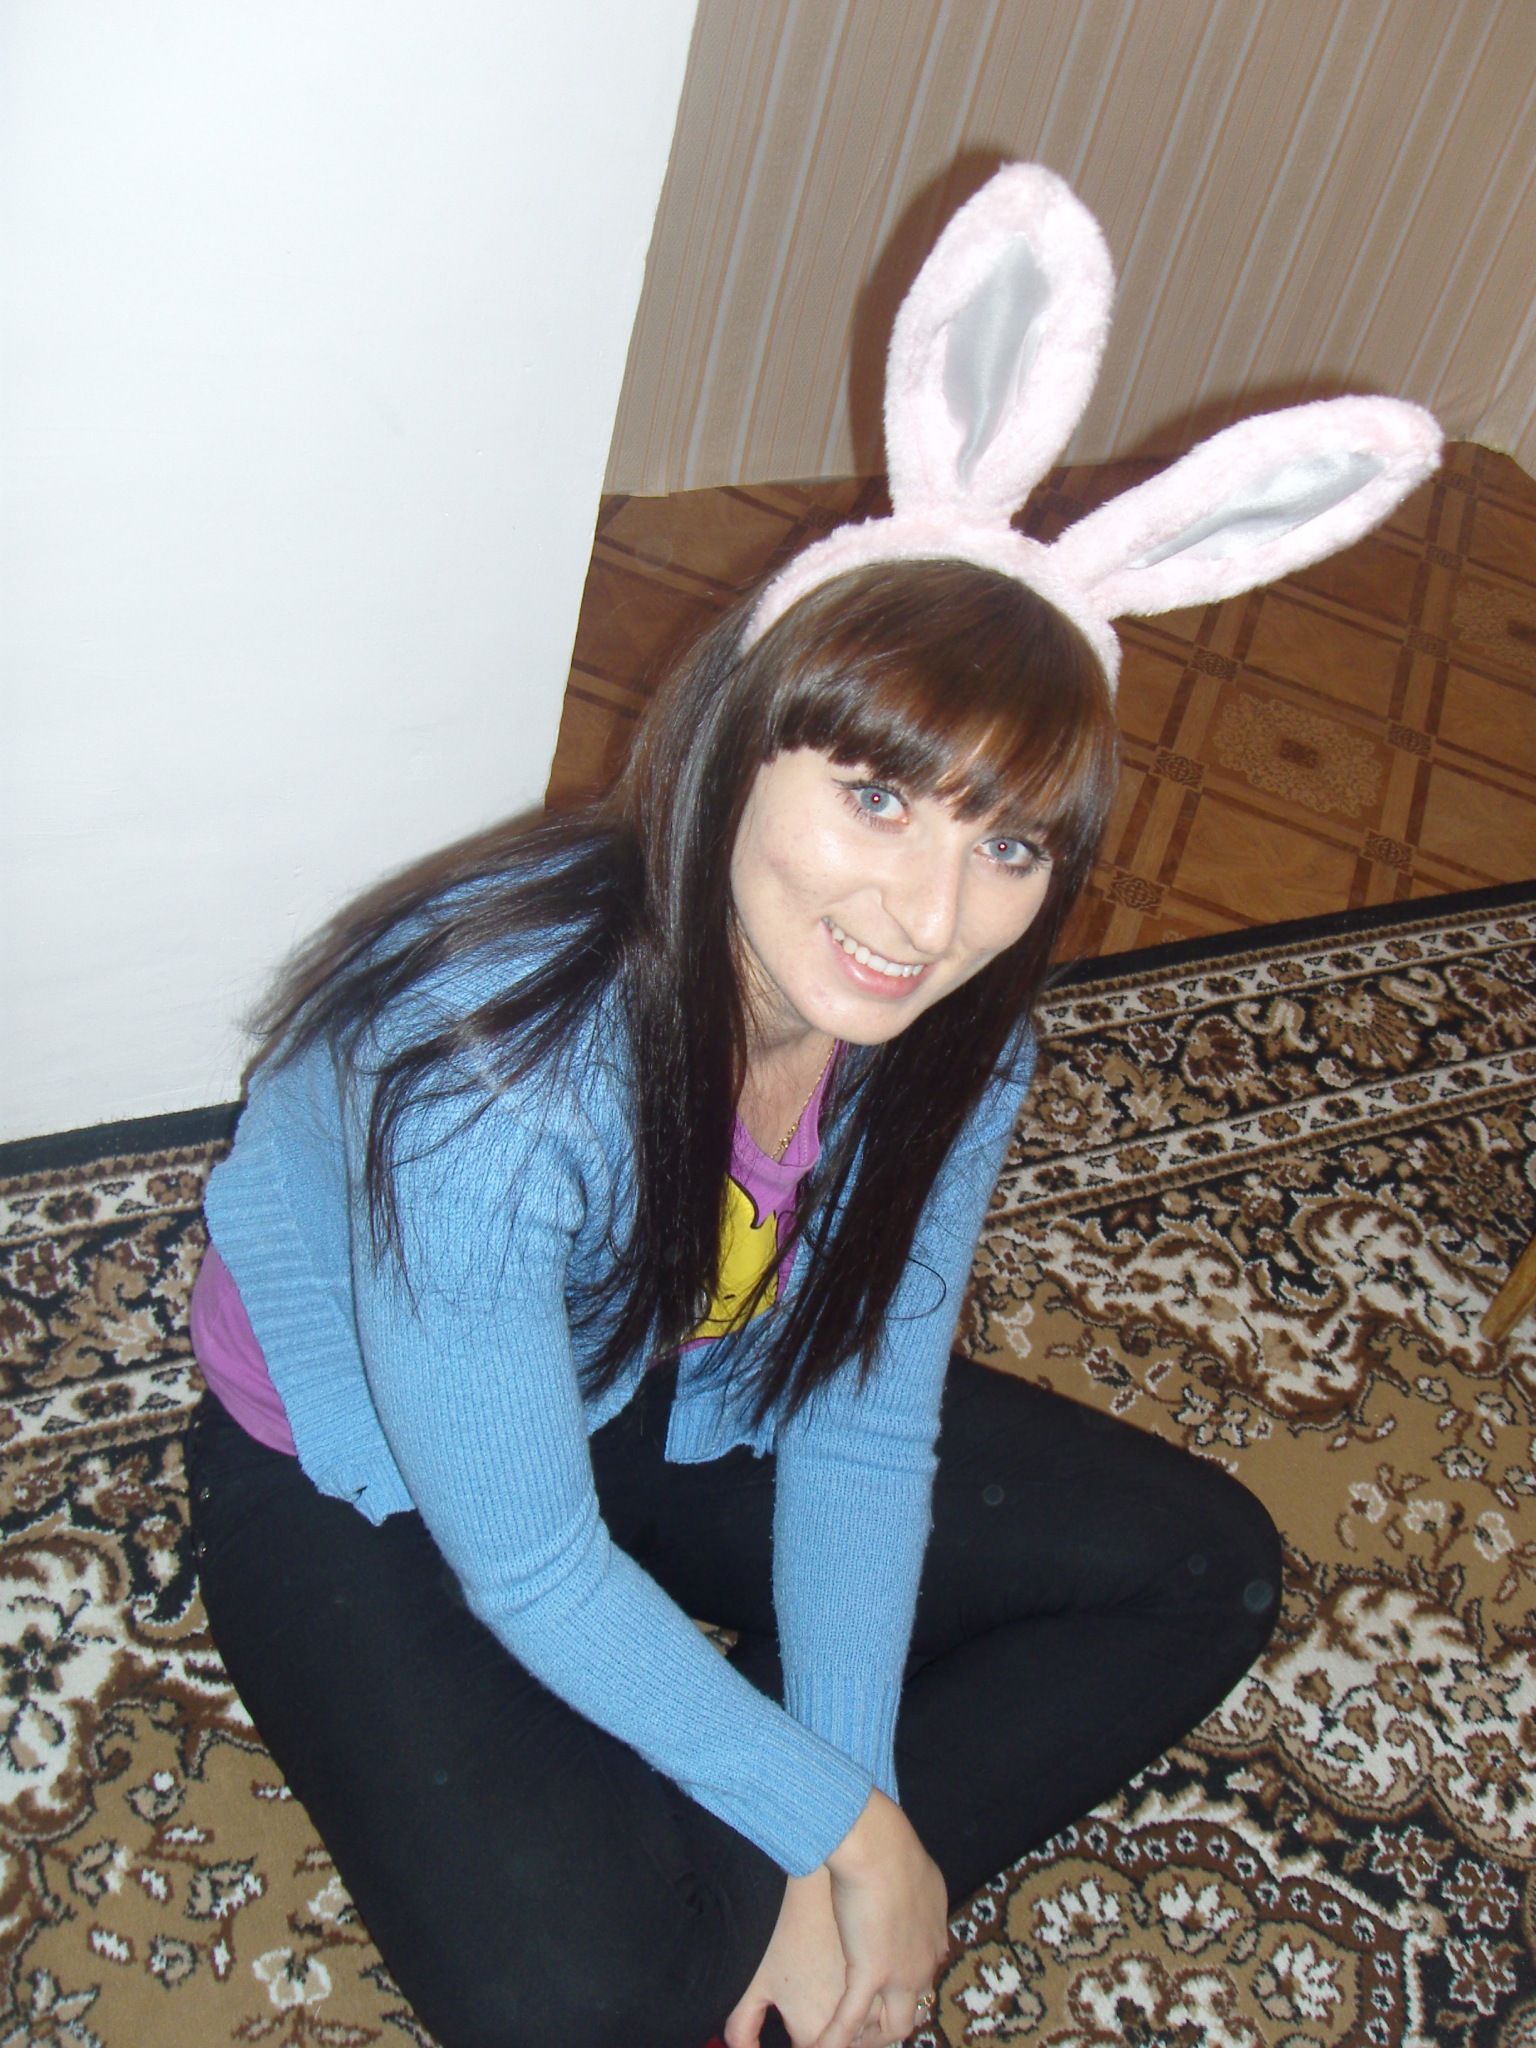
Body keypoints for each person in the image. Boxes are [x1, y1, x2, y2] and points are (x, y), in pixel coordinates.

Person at [187, 164, 1438, 2048]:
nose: (927, 917)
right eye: (874, 796)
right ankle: (734, 1899)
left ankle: (746, 1892)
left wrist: (826, 1820)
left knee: (1206, 1574)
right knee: (590, 2006)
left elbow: (859, 1420)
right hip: (352, 1456)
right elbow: (525, 1557)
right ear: (737, 738)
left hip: (651, 1373)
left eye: (1008, 843)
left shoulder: (956, 1034)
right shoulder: (490, 1085)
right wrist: (847, 1827)